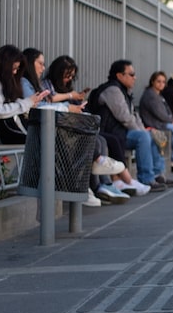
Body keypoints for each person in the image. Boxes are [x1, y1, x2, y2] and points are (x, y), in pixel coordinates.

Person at [43, 55, 131, 206]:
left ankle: (105, 184)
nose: (68, 79)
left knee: (103, 140)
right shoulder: (47, 86)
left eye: (71, 76)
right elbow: (49, 101)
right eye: (66, 76)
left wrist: (78, 103)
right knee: (93, 141)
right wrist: (72, 98)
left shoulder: (68, 89)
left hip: (76, 125)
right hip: (61, 128)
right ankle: (93, 186)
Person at [89, 60, 173, 194]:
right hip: (112, 132)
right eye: (131, 74)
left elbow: (135, 116)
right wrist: (142, 132)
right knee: (143, 137)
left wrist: (145, 130)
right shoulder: (113, 90)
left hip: (122, 131)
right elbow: (124, 117)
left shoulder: (125, 91)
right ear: (119, 76)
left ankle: (158, 175)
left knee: (154, 134)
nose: (134, 77)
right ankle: (146, 179)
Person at [0, 44, 49, 145]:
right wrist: (27, 103)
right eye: (13, 68)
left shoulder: (5, 80)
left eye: (17, 69)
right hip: (9, 126)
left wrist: (30, 104)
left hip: (16, 123)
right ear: (4, 65)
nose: (14, 72)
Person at [139, 71, 173, 172]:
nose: (161, 84)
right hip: (154, 123)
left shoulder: (158, 95)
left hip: (161, 122)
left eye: (163, 82)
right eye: (158, 81)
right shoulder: (150, 95)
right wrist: (172, 121)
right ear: (152, 82)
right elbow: (159, 113)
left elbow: (167, 112)